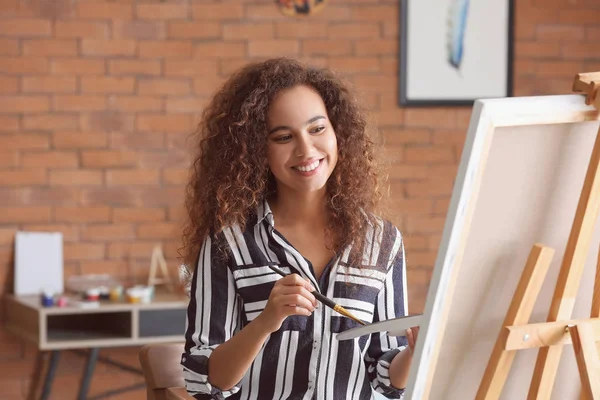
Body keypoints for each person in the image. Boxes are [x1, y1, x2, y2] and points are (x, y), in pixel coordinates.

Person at [179, 57, 418, 400]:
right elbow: (204, 381)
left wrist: (413, 352)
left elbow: (386, 378)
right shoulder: (229, 243)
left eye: (317, 129)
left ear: (339, 134)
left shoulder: (382, 241)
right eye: (283, 137)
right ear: (256, 150)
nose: (306, 150)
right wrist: (266, 321)